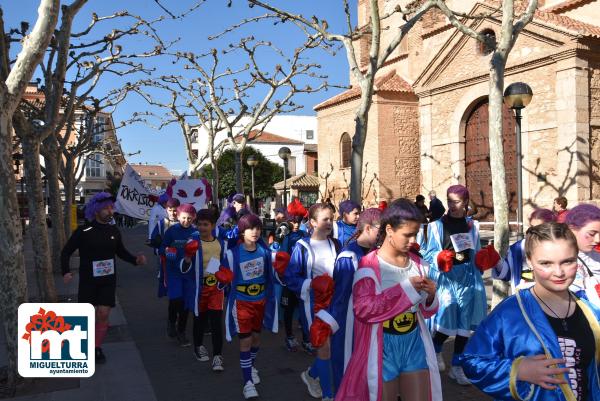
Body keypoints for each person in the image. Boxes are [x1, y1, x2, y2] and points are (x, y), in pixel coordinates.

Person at [460, 222, 600, 401]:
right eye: (546, 263)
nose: (558, 272)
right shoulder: (509, 313)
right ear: (529, 261)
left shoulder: (591, 311)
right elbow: (472, 360)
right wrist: (517, 370)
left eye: (567, 261)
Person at [335, 199, 441, 401]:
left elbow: (426, 311)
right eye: (407, 235)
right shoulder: (369, 265)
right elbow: (364, 310)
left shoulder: (419, 264)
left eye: (415, 234)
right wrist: (405, 290)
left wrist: (431, 295)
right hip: (382, 346)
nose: (412, 240)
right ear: (390, 230)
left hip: (413, 343)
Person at [61, 192, 147, 364]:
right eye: (106, 208)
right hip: (88, 280)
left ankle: (96, 348)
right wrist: (66, 271)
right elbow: (66, 251)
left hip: (108, 280)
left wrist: (135, 260)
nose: (110, 211)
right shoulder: (83, 231)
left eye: (111, 208)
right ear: (96, 210)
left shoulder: (113, 230)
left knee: (103, 313)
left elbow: (120, 252)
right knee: (87, 315)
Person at [424, 184, 495, 385]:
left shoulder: (472, 226)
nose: (452, 206)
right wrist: (439, 257)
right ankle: (437, 350)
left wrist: (482, 259)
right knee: (447, 316)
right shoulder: (436, 226)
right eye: (449, 201)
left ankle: (457, 367)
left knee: (464, 326)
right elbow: (427, 253)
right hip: (446, 277)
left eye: (456, 202)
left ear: (465, 202)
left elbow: (475, 252)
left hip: (467, 278)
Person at [311, 208, 382, 392]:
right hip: (350, 322)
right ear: (367, 228)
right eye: (380, 230)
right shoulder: (348, 257)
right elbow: (340, 298)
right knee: (346, 369)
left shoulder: (378, 253)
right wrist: (330, 325)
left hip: (371, 321)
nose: (383, 235)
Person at [214, 214, 279, 399]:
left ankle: (250, 367)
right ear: (242, 231)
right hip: (241, 302)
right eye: (251, 228)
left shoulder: (265, 252)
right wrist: (222, 281)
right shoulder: (231, 253)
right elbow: (220, 282)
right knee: (245, 341)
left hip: (260, 301)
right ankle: (247, 382)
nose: (255, 232)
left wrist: (281, 270)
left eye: (258, 228)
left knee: (257, 339)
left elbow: (272, 277)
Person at [285, 204, 340, 400]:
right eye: (325, 219)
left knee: (331, 349)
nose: (329, 223)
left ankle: (310, 375)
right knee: (323, 348)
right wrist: (312, 283)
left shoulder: (336, 244)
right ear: (313, 222)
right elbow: (291, 277)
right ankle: (328, 395)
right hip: (313, 304)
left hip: (334, 303)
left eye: (331, 219)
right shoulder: (302, 246)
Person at [185, 209, 225, 371]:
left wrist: (224, 276)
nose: (202, 228)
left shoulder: (220, 243)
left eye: (206, 225)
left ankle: (217, 356)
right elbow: (184, 269)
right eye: (199, 224)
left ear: (213, 225)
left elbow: (219, 264)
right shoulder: (192, 241)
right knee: (199, 320)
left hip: (215, 288)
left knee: (216, 322)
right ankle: (198, 346)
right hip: (199, 289)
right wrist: (187, 257)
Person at [159, 203, 200, 347]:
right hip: (173, 272)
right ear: (177, 215)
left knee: (185, 303)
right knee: (176, 300)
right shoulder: (171, 231)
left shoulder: (196, 233)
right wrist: (169, 252)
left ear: (194, 218)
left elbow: (201, 252)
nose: (186, 221)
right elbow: (162, 248)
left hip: (189, 274)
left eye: (189, 219)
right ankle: (171, 321)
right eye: (184, 218)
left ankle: (181, 332)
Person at [493, 208, 556, 293]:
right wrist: (496, 262)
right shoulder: (518, 248)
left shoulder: (561, 247)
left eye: (540, 228)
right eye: (532, 227)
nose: (534, 232)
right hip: (523, 298)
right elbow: (507, 274)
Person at [280, 199, 310, 352]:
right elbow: (280, 255)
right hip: (288, 278)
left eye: (298, 220)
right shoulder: (284, 235)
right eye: (293, 220)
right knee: (289, 309)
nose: (296, 223)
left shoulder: (305, 234)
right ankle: (290, 337)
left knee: (304, 309)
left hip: (302, 278)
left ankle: (306, 339)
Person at [566, 204, 600, 307]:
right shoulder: (558, 259)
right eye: (592, 233)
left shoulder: (596, 257)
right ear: (572, 230)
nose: (598, 240)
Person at [150, 198, 180, 298]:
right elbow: (155, 241)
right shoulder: (161, 224)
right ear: (166, 210)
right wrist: (160, 249)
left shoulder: (184, 222)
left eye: (175, 210)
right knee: (168, 283)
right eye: (170, 210)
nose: (172, 213)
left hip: (181, 259)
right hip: (166, 259)